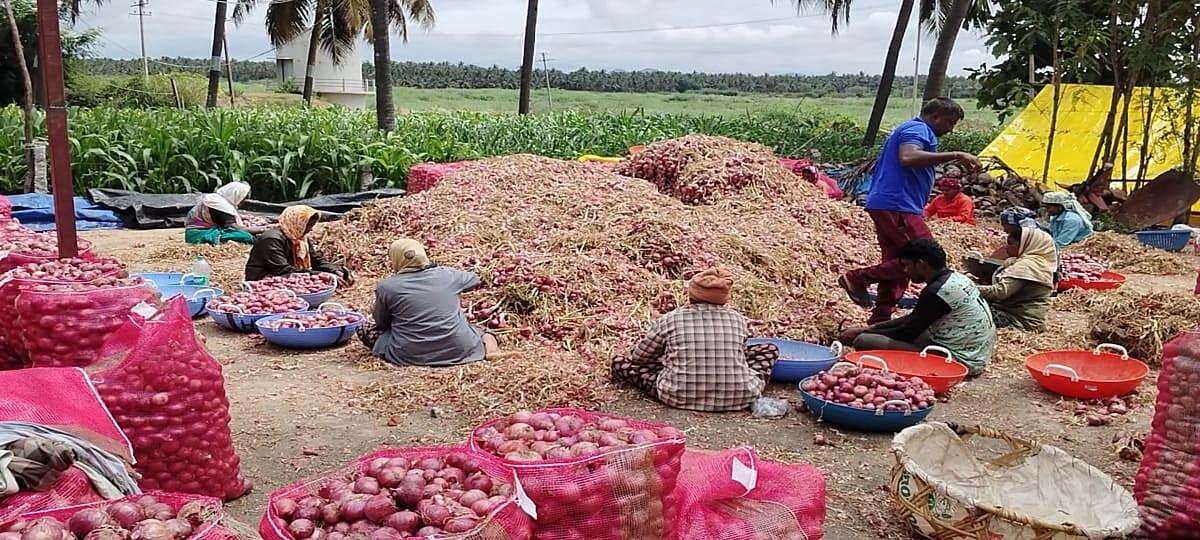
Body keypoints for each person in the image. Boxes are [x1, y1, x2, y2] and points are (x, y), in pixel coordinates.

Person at [839, 97, 982, 324]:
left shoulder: (917, 130)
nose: (951, 129)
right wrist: (956, 154)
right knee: (926, 258)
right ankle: (857, 277)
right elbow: (908, 157)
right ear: (935, 117)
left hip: (893, 204)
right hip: (898, 205)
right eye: (950, 122)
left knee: (901, 263)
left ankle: (880, 319)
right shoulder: (918, 128)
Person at [610, 268, 780, 412]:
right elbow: (740, 354)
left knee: (620, 362)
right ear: (724, 298)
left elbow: (639, 358)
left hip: (677, 396)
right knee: (769, 349)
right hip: (742, 397)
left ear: (691, 294)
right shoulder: (738, 320)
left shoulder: (671, 319)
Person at [840, 239, 995, 376]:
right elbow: (914, 319)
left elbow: (906, 332)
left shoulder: (937, 292)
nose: (905, 271)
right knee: (873, 335)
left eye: (907, 266)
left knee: (864, 341)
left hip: (961, 360)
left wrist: (864, 332)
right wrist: (873, 327)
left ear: (921, 264)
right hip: (976, 353)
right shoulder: (956, 278)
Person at [356, 239, 499, 367]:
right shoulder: (449, 276)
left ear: (396, 259)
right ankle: (492, 350)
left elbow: (381, 323)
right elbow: (475, 278)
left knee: (364, 326)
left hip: (408, 355)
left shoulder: (386, 287)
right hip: (460, 349)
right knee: (483, 333)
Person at [244, 205, 353, 283]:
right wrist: (323, 276)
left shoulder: (300, 238)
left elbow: (316, 260)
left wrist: (335, 270)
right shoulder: (271, 239)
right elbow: (283, 270)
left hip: (286, 274)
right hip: (264, 279)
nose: (311, 230)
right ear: (297, 223)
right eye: (308, 225)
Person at [977, 227, 1057, 330]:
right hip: (1014, 315)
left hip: (1017, 320)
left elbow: (1000, 292)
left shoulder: (1027, 265)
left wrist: (969, 288)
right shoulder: (1031, 262)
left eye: (1011, 243)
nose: (1006, 247)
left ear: (1026, 244)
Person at [184, 182, 264, 245]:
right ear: (235, 194)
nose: (243, 200)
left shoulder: (217, 199)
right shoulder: (219, 205)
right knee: (246, 237)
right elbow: (235, 228)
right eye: (243, 197)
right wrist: (262, 229)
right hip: (199, 234)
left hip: (197, 232)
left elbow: (223, 219)